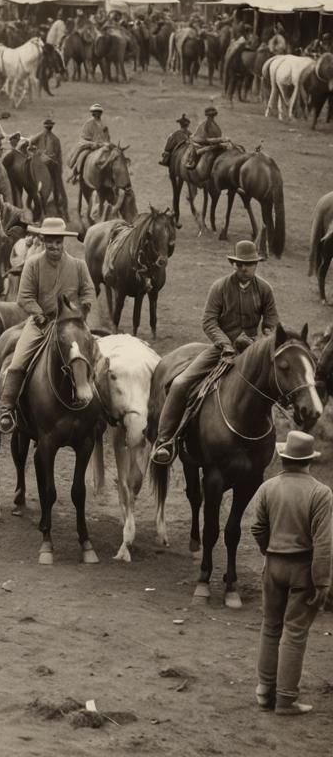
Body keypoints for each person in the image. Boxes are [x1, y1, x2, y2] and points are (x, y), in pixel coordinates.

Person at [150, 240, 279, 464]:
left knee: (274, 387)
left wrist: (259, 343)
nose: (243, 269)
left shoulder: (265, 289)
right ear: (234, 264)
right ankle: (165, 440)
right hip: (220, 350)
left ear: (256, 265)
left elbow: (271, 324)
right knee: (181, 383)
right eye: (239, 264)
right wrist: (227, 344)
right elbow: (209, 322)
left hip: (252, 353)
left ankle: (268, 442)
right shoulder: (220, 287)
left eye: (248, 264)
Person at [251, 430, 332, 716]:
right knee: (295, 632)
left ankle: (264, 691)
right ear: (309, 461)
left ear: (284, 459)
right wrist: (322, 582)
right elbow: (323, 543)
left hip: (273, 567)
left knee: (270, 626)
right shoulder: (320, 493)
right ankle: (286, 699)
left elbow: (257, 528)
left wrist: (268, 551)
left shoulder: (268, 488)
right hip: (303, 571)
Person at [0, 217, 94, 434]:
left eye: (57, 241)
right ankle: (7, 409)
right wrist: (38, 314)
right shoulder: (33, 264)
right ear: (42, 240)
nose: (54, 245)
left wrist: (81, 312)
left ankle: (101, 406)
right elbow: (24, 297)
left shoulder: (78, 265)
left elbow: (88, 291)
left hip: (72, 323)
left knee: (98, 356)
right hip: (42, 322)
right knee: (19, 359)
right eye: (49, 241)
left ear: (63, 241)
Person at [67, 103, 109, 183]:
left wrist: (106, 143)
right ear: (92, 113)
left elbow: (107, 138)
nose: (98, 113)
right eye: (96, 112)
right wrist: (92, 144)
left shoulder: (104, 125)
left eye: (99, 112)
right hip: (91, 147)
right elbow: (83, 138)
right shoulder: (88, 124)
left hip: (103, 147)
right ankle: (76, 174)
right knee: (83, 156)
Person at [186, 105, 226, 173]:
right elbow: (203, 139)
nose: (212, 117)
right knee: (194, 147)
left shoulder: (214, 124)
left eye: (213, 116)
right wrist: (220, 139)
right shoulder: (205, 124)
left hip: (213, 143)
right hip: (205, 143)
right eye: (210, 116)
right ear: (207, 116)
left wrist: (220, 140)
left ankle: (192, 161)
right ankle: (192, 161)